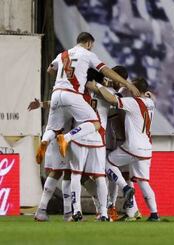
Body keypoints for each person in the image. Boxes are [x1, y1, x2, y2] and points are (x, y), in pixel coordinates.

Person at [35, 32, 139, 165]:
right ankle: (66, 138)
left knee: (52, 129)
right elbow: (106, 70)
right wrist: (127, 84)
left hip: (56, 93)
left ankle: (44, 141)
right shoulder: (88, 54)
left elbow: (50, 70)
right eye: (91, 46)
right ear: (89, 43)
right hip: (72, 94)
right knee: (95, 123)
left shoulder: (62, 55)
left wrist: (66, 76)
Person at [97, 78, 161, 222]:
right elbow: (150, 96)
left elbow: (112, 100)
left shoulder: (133, 102)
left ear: (135, 89)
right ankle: (154, 214)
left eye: (130, 87)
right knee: (143, 181)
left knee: (106, 162)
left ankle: (125, 188)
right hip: (146, 148)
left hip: (133, 146)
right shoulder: (150, 102)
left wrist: (98, 85)